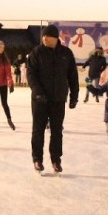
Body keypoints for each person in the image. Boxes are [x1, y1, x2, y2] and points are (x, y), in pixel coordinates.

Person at [26, 25, 79, 173]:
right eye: (43, 36)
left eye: (47, 36)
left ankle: (56, 160)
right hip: (39, 100)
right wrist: (37, 92)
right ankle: (37, 159)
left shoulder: (66, 54)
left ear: (55, 38)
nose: (44, 38)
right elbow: (31, 75)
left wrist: (74, 95)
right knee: (38, 131)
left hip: (58, 99)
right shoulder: (36, 53)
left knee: (57, 131)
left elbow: (73, 76)